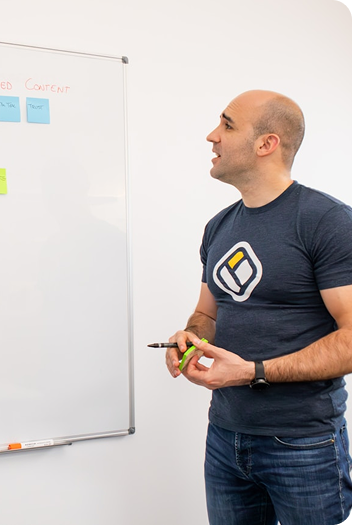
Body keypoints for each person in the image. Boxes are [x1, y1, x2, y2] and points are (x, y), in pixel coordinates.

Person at [166, 90, 352, 525]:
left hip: (303, 445)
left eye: (227, 125)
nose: (212, 136)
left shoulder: (326, 221)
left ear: (267, 143)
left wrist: (253, 371)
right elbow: (207, 314)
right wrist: (191, 339)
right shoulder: (219, 226)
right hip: (225, 437)